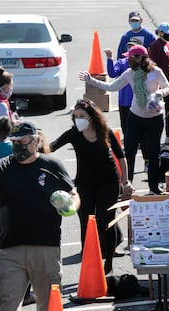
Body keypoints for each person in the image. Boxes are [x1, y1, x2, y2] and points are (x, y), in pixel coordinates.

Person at [0, 120, 80, 311]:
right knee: (7, 303)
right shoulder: (3, 167)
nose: (17, 146)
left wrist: (72, 205)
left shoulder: (52, 165)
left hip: (45, 248)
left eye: (22, 141)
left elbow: (73, 194)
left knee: (48, 304)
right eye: (14, 142)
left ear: (35, 141)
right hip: (11, 251)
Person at [50, 99, 134, 275]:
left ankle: (108, 263)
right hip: (85, 183)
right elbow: (52, 146)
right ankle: (89, 262)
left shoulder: (105, 131)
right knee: (86, 222)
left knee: (107, 220)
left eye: (82, 116)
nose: (78, 119)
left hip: (109, 181)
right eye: (76, 116)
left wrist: (125, 181)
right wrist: (34, 146)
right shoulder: (74, 133)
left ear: (91, 117)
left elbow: (121, 157)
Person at [79, 45, 169, 195]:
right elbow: (111, 87)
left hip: (155, 118)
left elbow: (168, 88)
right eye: (129, 57)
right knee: (129, 152)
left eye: (132, 57)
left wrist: (160, 92)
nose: (129, 59)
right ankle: (126, 186)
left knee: (154, 153)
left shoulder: (156, 72)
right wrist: (91, 80)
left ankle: (154, 187)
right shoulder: (130, 73)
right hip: (135, 117)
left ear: (142, 57)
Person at [104, 37, 149, 173]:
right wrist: (109, 58)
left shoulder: (146, 66)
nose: (130, 50)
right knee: (128, 133)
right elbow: (112, 73)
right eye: (128, 47)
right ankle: (129, 166)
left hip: (140, 103)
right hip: (124, 103)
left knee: (144, 135)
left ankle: (147, 161)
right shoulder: (123, 62)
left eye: (133, 47)